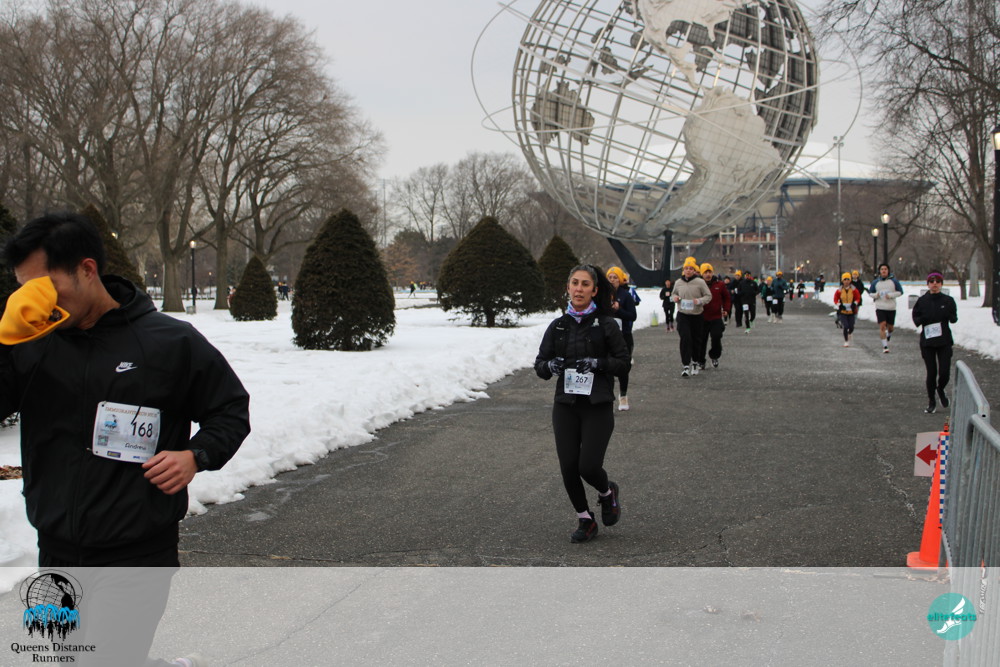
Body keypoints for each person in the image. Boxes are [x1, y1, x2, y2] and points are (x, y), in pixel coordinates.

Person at [0, 211, 251, 567]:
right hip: (55, 548)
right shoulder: (30, 345)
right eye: (25, 291)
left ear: (87, 270)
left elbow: (230, 409)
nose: (38, 302)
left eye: (45, 288)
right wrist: (5, 340)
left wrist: (196, 455)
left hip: (140, 554)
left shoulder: (170, 342)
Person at [534, 265, 629, 542]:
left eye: (585, 284)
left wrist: (598, 363)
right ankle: (585, 519)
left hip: (597, 404)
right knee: (568, 466)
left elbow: (623, 363)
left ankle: (607, 492)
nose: (579, 289)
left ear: (594, 290)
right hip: (565, 404)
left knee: (587, 466)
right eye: (574, 283)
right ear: (568, 287)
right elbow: (540, 364)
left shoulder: (606, 325)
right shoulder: (558, 326)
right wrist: (549, 366)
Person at [912, 271, 958, 414]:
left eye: (938, 281)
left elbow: (954, 319)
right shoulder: (922, 301)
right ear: (928, 284)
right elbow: (916, 318)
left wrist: (948, 314)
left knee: (944, 372)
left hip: (944, 341)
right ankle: (931, 401)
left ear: (941, 284)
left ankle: (941, 388)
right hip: (928, 342)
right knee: (931, 372)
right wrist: (922, 319)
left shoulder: (948, 300)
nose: (935, 284)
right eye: (932, 282)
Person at [671, 256, 712, 376]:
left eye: (691, 269)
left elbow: (708, 296)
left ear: (694, 270)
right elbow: (673, 294)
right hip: (683, 314)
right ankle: (685, 365)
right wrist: (675, 298)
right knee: (685, 338)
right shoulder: (678, 282)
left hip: (696, 315)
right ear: (683, 270)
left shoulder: (700, 282)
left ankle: (695, 361)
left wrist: (699, 301)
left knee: (696, 339)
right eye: (686, 268)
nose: (688, 271)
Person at [607, 266, 637, 411]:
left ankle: (623, 395)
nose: (612, 280)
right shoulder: (602, 295)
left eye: (615, 277)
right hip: (607, 337)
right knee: (607, 367)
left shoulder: (626, 296)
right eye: (610, 277)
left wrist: (619, 310)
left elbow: (632, 316)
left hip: (624, 336)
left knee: (623, 367)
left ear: (620, 280)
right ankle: (608, 398)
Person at [695, 263, 731, 369]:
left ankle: (714, 356)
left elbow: (727, 298)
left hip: (716, 317)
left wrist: (726, 309)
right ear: (702, 274)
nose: (708, 274)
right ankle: (701, 360)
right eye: (705, 272)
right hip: (702, 317)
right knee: (702, 340)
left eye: (709, 272)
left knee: (716, 336)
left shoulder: (720, 284)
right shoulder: (698, 285)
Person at [868, 263, 903, 353]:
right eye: (882, 269)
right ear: (879, 271)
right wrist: (876, 295)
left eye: (885, 269)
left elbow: (900, 292)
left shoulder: (894, 281)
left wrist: (891, 295)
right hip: (880, 307)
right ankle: (885, 346)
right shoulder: (875, 282)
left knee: (890, 327)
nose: (883, 271)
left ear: (888, 271)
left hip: (891, 307)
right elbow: (870, 293)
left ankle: (889, 334)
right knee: (882, 325)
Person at [833, 272, 861, 346]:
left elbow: (858, 298)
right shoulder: (839, 290)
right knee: (845, 326)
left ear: (850, 280)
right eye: (845, 279)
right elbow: (835, 299)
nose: (846, 281)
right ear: (842, 281)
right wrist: (839, 305)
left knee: (851, 326)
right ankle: (846, 341)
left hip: (851, 311)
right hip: (843, 311)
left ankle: (850, 333)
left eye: (848, 279)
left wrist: (855, 303)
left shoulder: (854, 289)